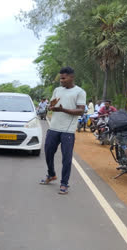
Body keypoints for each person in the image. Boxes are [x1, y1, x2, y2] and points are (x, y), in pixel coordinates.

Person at [40, 67, 86, 195]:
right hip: (53, 127)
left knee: (66, 158)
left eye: (63, 78)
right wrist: (52, 107)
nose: (61, 80)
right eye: (60, 78)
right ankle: (51, 174)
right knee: (48, 152)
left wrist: (63, 110)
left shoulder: (79, 92)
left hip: (67, 130)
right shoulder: (57, 90)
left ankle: (64, 183)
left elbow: (81, 110)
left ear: (71, 77)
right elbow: (52, 106)